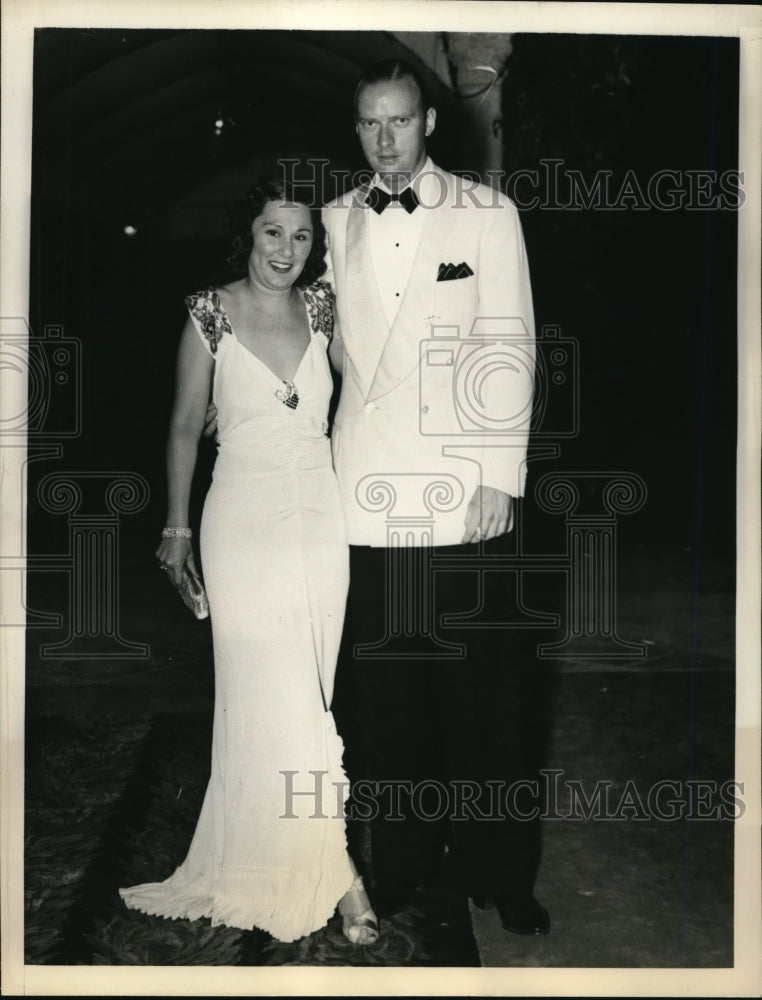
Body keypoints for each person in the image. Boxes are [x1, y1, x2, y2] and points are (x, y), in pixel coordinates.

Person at [322, 59, 549, 935]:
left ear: (429, 124)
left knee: (485, 701)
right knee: (392, 701)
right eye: (370, 124)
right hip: (367, 497)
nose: (385, 140)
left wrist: (500, 473)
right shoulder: (335, 221)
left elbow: (510, 344)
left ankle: (502, 872)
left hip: (462, 493)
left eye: (400, 122)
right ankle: (411, 868)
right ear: (358, 128)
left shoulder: (489, 215)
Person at [119, 180, 378, 946]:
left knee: (310, 691)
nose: (285, 252)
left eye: (300, 238)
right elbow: (180, 427)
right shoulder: (208, 311)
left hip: (319, 516)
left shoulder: (324, 309)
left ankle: (296, 855)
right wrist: (175, 529)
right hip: (239, 518)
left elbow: (365, 396)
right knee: (276, 693)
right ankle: (343, 878)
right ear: (249, 235)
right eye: (273, 234)